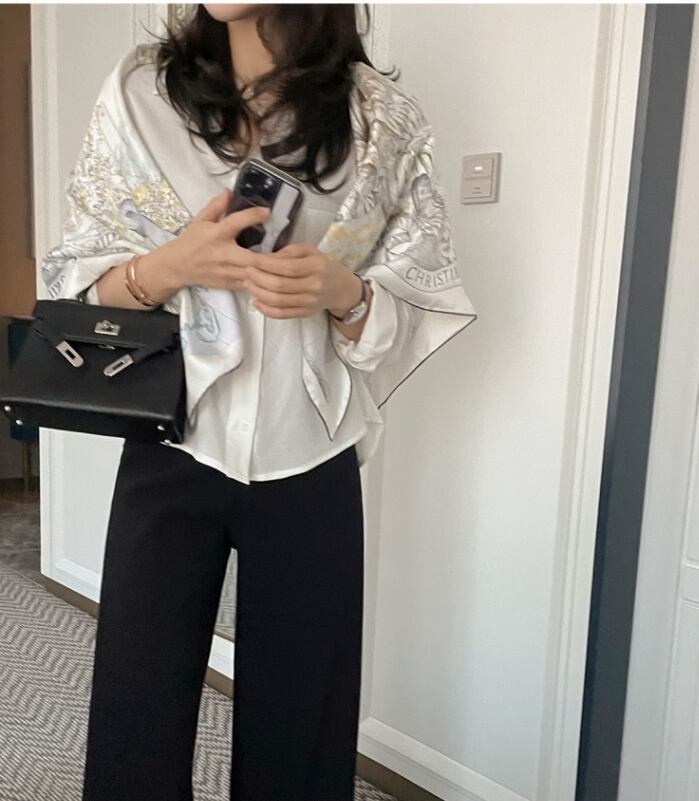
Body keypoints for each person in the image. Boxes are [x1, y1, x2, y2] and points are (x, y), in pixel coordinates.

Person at [41, 4, 478, 800]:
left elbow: (416, 300)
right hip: (173, 438)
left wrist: (343, 293)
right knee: (136, 706)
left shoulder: (379, 120)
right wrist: (170, 266)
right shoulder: (140, 96)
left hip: (309, 446)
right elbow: (74, 282)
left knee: (303, 724)